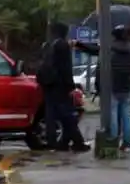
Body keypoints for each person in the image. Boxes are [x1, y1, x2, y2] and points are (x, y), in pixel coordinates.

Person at [76, 25, 130, 151]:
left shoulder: (110, 49)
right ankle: (127, 141)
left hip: (112, 85)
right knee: (126, 115)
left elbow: (94, 50)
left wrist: (79, 44)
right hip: (126, 86)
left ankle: (113, 140)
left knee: (113, 114)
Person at [36, 22, 90, 152]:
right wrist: (71, 86)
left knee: (51, 114)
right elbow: (66, 68)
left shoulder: (47, 45)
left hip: (48, 84)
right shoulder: (62, 45)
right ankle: (78, 142)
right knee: (68, 115)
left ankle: (56, 142)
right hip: (60, 85)